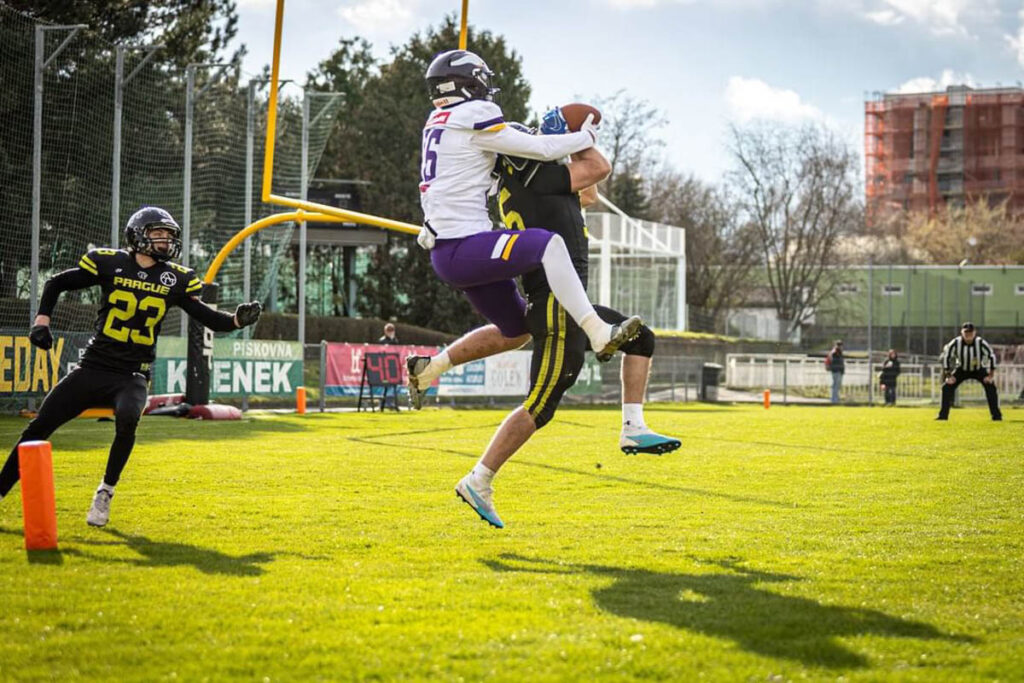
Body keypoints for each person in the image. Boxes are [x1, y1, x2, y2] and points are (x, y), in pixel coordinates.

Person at [411, 116, 680, 528]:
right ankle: (478, 478)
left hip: (565, 301)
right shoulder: (534, 171)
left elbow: (586, 193)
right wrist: (577, 135)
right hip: (557, 305)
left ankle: (633, 426)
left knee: (640, 340)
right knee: (541, 404)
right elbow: (597, 169)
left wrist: (567, 141)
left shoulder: (526, 178)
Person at [0, 207, 262, 527]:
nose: (166, 241)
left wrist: (236, 320)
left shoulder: (175, 279)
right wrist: (41, 323)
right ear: (138, 234)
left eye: (169, 235)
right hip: (93, 366)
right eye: (159, 233)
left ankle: (105, 492)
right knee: (38, 427)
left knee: (127, 418)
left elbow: (209, 318)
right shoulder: (109, 262)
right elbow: (56, 283)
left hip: (132, 374)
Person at [417, 49, 641, 373]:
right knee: (548, 244)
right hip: (461, 247)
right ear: (468, 83)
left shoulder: (439, 122)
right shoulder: (473, 113)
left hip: (451, 252)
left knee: (517, 331)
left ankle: (430, 370)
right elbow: (542, 148)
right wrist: (583, 137)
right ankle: (598, 330)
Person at [936, 322, 1001, 421]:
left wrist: (990, 376)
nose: (968, 335)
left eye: (970, 332)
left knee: (991, 387)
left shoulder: (980, 342)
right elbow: (947, 356)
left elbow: (991, 356)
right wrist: (949, 375)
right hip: (961, 369)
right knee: (946, 387)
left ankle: (996, 416)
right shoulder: (955, 342)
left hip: (978, 369)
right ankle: (943, 416)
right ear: (962, 332)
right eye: (966, 332)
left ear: (975, 332)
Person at [824, 340, 845, 404]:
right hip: (836, 370)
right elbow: (835, 361)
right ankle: (834, 399)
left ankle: (835, 398)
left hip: (838, 370)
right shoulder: (835, 352)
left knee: (837, 385)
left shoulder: (838, 352)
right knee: (835, 385)